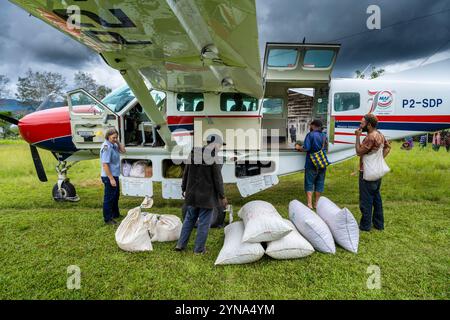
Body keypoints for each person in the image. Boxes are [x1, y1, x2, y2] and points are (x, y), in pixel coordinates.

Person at [175, 135, 228, 254]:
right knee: (204, 223)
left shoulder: (193, 153)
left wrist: (183, 188)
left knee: (189, 219)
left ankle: (180, 244)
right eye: (219, 145)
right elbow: (217, 179)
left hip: (192, 194)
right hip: (206, 196)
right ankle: (199, 250)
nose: (220, 148)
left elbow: (186, 173)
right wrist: (222, 196)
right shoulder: (214, 158)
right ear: (214, 144)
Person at [355, 114, 391, 232]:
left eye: (362, 123)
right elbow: (387, 147)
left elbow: (359, 152)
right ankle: (379, 224)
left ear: (369, 125)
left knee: (366, 200)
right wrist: (378, 160)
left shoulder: (370, 137)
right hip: (377, 171)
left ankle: (365, 226)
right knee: (376, 198)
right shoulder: (380, 134)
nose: (360, 125)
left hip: (366, 173)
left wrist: (357, 137)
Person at [296, 119, 328, 209]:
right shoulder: (324, 136)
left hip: (311, 163)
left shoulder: (310, 135)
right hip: (321, 162)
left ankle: (309, 204)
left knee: (309, 182)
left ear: (313, 126)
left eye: (310, 125)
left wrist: (298, 148)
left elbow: (306, 148)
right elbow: (326, 148)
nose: (310, 127)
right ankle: (316, 203)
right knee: (320, 182)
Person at [100, 128, 126, 225]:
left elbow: (123, 151)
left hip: (114, 175)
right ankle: (108, 219)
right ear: (108, 136)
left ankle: (115, 214)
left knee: (115, 196)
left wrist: (117, 142)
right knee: (109, 198)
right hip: (109, 176)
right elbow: (105, 164)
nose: (115, 139)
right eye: (113, 137)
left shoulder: (114, 145)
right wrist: (111, 178)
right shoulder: (107, 147)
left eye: (116, 137)